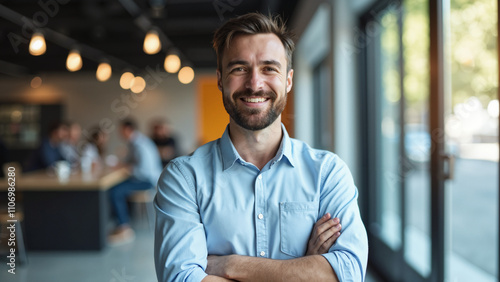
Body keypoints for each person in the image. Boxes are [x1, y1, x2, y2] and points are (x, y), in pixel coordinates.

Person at [154, 13, 368, 282]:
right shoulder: (184, 178)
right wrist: (303, 269)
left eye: (269, 68)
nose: (255, 84)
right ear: (220, 79)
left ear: (288, 80)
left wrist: (230, 265)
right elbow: (180, 279)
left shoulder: (328, 173)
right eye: (239, 69)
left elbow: (348, 273)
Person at [108, 118, 163, 244]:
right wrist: (124, 165)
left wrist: (126, 168)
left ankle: (124, 228)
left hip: (148, 181)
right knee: (117, 187)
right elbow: (131, 162)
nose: (120, 134)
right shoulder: (134, 142)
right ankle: (122, 222)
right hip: (145, 178)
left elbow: (143, 171)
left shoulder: (140, 144)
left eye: (121, 131)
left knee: (116, 191)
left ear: (128, 129)